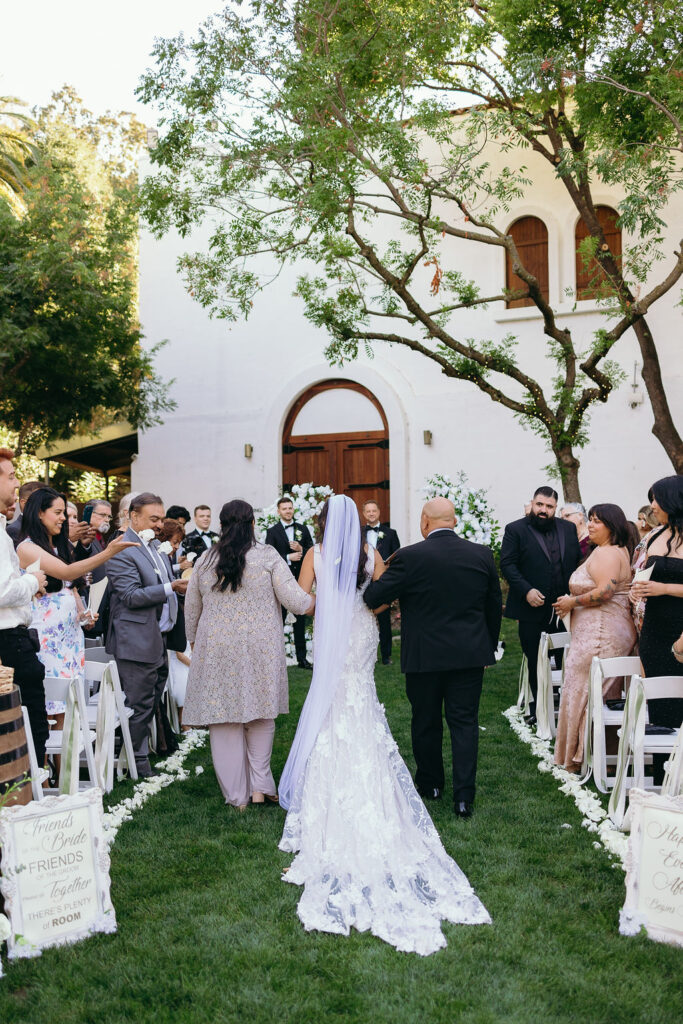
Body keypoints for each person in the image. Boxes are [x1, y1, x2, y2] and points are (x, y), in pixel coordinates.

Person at [278, 495, 491, 956]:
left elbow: (302, 603)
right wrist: (362, 609)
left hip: (335, 635)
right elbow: (380, 597)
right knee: (363, 699)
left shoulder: (314, 554)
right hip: (361, 637)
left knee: (333, 702)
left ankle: (341, 777)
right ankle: (450, 791)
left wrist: (327, 608)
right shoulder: (369, 554)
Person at [362, 497, 501, 815]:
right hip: (469, 654)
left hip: (424, 657)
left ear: (425, 521)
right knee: (465, 723)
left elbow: (373, 597)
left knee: (425, 721)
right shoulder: (481, 555)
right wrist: (486, 647)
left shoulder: (410, 557)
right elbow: (493, 609)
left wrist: (386, 566)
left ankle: (431, 784)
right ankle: (464, 797)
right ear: (453, 521)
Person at [183, 499, 313, 808]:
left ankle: (236, 797)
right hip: (261, 646)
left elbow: (191, 609)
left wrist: (193, 642)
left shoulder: (203, 560)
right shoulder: (268, 556)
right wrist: (323, 601)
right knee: (260, 713)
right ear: (253, 524)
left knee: (223, 718)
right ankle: (260, 787)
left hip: (216, 647)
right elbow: (296, 601)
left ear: (222, 526)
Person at [17, 488, 135, 732]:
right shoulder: (26, 548)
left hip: (70, 638)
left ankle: (65, 768)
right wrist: (108, 553)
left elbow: (70, 587)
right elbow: (68, 573)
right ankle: (47, 766)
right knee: (52, 708)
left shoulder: (59, 548)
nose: (63, 518)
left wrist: (82, 614)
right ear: (39, 513)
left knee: (69, 707)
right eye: (58, 512)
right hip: (46, 640)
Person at [105, 492, 187, 777]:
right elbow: (129, 595)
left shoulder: (152, 545)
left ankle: (140, 754)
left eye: (161, 518)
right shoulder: (122, 548)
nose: (160, 524)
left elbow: (161, 577)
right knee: (139, 703)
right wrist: (170, 588)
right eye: (154, 519)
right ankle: (136, 762)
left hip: (158, 637)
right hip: (135, 640)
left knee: (151, 699)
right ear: (133, 516)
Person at [552, 504, 637, 771]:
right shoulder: (608, 550)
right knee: (598, 692)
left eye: (597, 521)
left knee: (583, 691)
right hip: (603, 630)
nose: (590, 525)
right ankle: (601, 757)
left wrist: (571, 602)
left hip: (601, 633)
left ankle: (578, 758)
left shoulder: (609, 553)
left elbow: (605, 592)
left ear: (613, 526)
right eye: (589, 520)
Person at [500, 486, 581, 722]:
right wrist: (526, 590)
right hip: (530, 608)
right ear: (533, 503)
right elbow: (508, 565)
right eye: (539, 505)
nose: (543, 510)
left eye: (549, 506)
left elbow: (575, 562)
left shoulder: (568, 528)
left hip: (564, 608)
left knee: (564, 658)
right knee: (536, 658)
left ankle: (563, 706)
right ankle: (539, 709)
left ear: (556, 508)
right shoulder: (515, 529)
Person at [0, 449, 49, 766]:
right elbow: (3, 591)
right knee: (29, 729)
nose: (16, 482)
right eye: (11, 476)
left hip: (10, 641)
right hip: (9, 643)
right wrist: (32, 579)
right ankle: (30, 801)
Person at [630, 476, 683, 763]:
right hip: (654, 631)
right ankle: (661, 778)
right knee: (660, 703)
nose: (652, 506)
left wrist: (664, 589)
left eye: (656, 499)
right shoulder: (657, 534)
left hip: (681, 630)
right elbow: (645, 572)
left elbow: (663, 584)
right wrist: (639, 588)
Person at [265, 497, 314, 669]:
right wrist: (287, 557)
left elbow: (313, 550)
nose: (288, 511)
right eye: (284, 508)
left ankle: (302, 659)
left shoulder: (303, 529)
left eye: (290, 508)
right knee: (279, 620)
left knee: (300, 620)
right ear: (278, 511)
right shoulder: (272, 532)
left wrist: (302, 549)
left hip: (301, 581)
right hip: (281, 583)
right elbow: (268, 556)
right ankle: (276, 660)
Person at [361, 499, 400, 664]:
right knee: (362, 617)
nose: (371, 513)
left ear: (379, 512)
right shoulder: (358, 532)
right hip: (362, 579)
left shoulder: (390, 533)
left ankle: (386, 655)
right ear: (364, 514)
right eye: (368, 511)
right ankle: (363, 652)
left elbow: (397, 556)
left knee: (384, 618)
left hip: (382, 580)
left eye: (374, 511)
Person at [73, 499, 113, 585]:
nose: (107, 520)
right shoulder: (78, 535)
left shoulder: (101, 538)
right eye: (103, 515)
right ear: (89, 514)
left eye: (109, 516)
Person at [6, 480, 43, 548]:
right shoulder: (14, 530)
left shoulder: (47, 526)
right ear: (24, 503)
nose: (46, 504)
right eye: (40, 500)